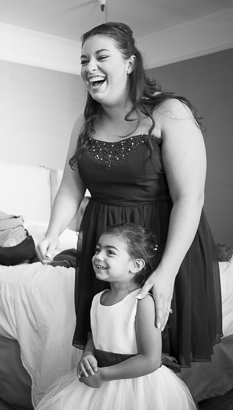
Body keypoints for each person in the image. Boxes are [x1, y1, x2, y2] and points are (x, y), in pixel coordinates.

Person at [36, 22, 221, 369]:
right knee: (111, 340)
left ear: (130, 63)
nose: (89, 67)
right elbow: (71, 185)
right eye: (84, 60)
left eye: (101, 57)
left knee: (158, 346)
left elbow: (190, 198)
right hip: (104, 240)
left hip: (159, 242)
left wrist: (165, 272)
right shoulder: (84, 123)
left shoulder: (169, 113)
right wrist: (52, 232)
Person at [36, 223, 196, 410]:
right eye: (97, 250)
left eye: (110, 252)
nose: (98, 256)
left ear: (135, 265)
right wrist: (88, 355)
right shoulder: (98, 299)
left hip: (137, 385)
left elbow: (150, 359)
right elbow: (96, 337)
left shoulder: (142, 302)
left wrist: (104, 375)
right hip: (100, 377)